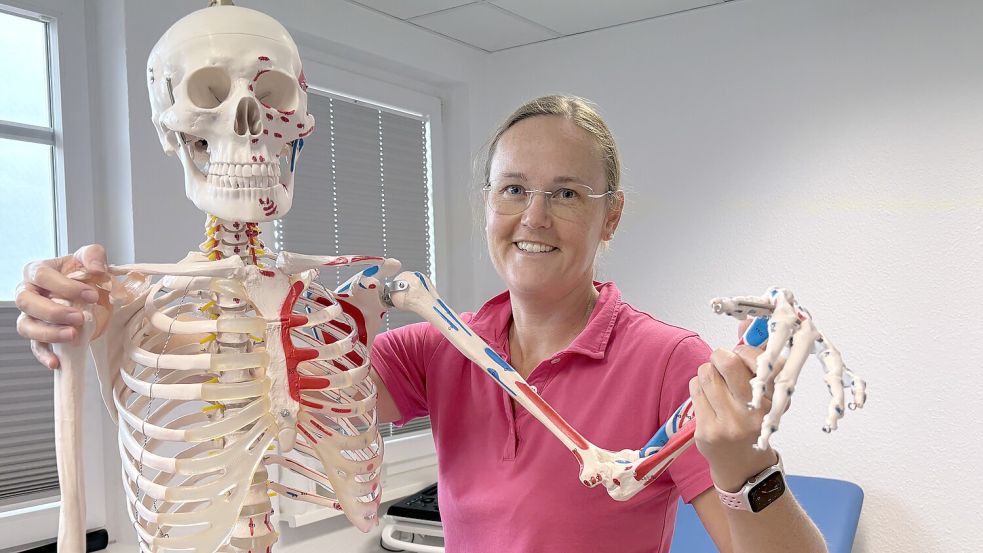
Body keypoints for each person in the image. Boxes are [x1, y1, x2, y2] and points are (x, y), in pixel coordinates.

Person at [15, 95, 827, 553]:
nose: (533, 216)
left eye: (566, 193)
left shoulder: (665, 358)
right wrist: (99, 310)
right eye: (512, 189)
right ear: (485, 207)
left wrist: (745, 467)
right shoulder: (434, 345)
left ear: (610, 216)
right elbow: (272, 395)